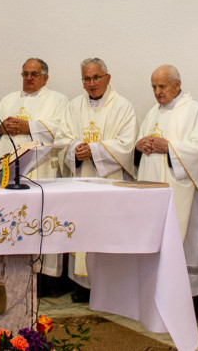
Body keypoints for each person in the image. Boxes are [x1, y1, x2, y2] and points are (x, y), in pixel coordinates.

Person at [56, 57, 137, 302]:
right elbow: (62, 138)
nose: (91, 83)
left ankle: (108, 286)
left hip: (109, 184)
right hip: (81, 182)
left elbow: (127, 144)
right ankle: (82, 286)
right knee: (82, 230)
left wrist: (95, 150)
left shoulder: (123, 106)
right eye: (87, 79)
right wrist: (73, 150)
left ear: (107, 78)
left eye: (96, 78)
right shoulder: (73, 106)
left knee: (105, 231)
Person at [134, 65, 198, 296]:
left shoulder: (195, 111)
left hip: (183, 195)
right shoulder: (152, 113)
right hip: (154, 194)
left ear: (177, 84)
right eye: (154, 87)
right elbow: (140, 145)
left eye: (162, 86)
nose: (157, 92)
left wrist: (169, 148)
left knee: (183, 245)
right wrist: (139, 147)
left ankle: (187, 300)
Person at [0, 58, 68, 180]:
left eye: (34, 74)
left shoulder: (58, 99)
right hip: (5, 167)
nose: (29, 78)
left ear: (45, 78)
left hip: (40, 170)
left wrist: (30, 127)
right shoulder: (8, 99)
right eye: (25, 74)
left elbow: (61, 129)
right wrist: (0, 128)